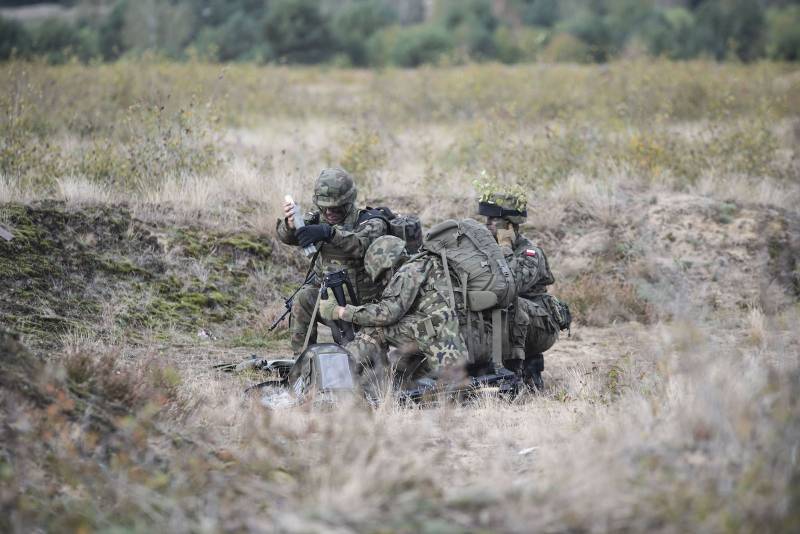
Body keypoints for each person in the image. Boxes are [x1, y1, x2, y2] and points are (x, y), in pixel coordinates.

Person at [318, 235, 469, 387]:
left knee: (376, 329)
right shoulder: (429, 263)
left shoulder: (409, 271)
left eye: (383, 276)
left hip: (443, 334)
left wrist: (340, 311)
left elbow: (387, 313)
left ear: (389, 264)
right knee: (404, 336)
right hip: (461, 334)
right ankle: (398, 377)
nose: (384, 282)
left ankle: (336, 378)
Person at [276, 167, 389, 355]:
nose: (329, 212)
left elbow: (360, 245)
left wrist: (329, 233)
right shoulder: (318, 218)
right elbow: (288, 237)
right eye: (325, 207)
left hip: (364, 307)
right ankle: (304, 363)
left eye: (336, 207)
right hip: (328, 301)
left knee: (365, 366)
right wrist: (290, 225)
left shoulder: (372, 222)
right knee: (303, 298)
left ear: (349, 201)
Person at [478, 191, 559, 389]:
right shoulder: (486, 250)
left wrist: (505, 247)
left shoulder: (530, 253)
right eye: (486, 220)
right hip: (513, 320)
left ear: (509, 226)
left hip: (539, 323)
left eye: (493, 221)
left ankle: (516, 373)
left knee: (509, 304)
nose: (487, 225)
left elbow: (511, 285)